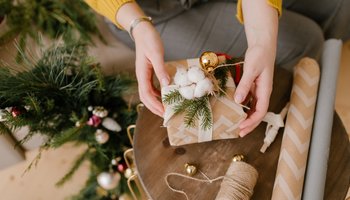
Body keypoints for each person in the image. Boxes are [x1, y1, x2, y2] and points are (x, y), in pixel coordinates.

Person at [85, 0, 349, 137]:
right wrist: (136, 24)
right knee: (305, 41)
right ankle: (290, 98)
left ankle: (310, 83)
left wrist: (262, 36)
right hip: (148, 10)